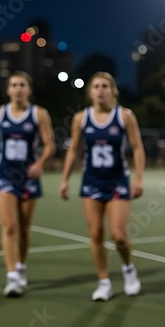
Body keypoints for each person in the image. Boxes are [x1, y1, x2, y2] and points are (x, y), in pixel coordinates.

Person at [0, 71, 55, 298]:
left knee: (24, 228)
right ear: (8, 90)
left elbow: (49, 145)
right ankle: (12, 277)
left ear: (29, 89)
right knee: (9, 226)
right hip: (4, 175)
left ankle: (21, 266)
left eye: (22, 85)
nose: (18, 88)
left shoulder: (39, 114)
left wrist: (40, 163)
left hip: (29, 176)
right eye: (14, 85)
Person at [59, 72, 145, 301]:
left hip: (117, 180)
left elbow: (137, 148)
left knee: (118, 235)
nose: (100, 90)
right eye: (95, 86)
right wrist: (65, 179)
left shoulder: (125, 116)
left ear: (113, 90)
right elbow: (74, 150)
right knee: (96, 233)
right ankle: (104, 282)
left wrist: (138, 178)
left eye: (105, 86)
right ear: (90, 92)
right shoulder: (81, 118)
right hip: (91, 181)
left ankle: (129, 270)